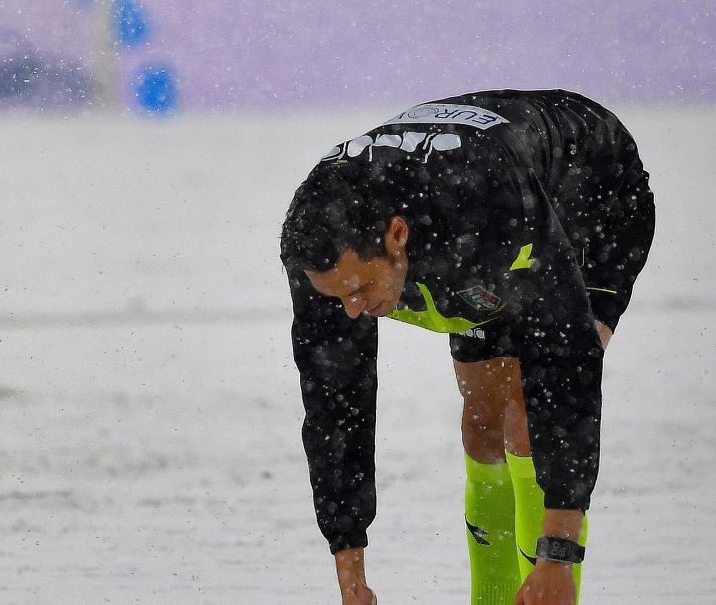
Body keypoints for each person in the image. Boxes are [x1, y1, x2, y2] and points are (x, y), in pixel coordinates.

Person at [280, 90, 655, 605]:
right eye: (338, 295)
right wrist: (352, 578)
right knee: (483, 422)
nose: (350, 308)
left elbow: (565, 371)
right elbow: (334, 407)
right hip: (462, 214)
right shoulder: (321, 248)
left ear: (396, 237)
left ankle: (552, 588)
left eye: (361, 291)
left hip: (590, 192)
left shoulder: (485, 212)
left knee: (526, 416)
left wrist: (558, 555)